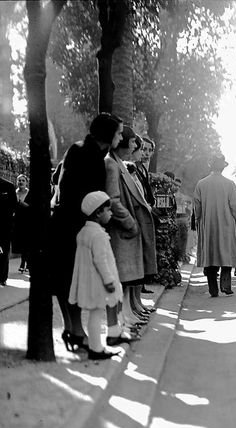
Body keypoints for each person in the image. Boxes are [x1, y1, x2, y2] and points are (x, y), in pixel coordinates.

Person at [50, 112, 123, 351]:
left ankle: (72, 329)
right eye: (118, 133)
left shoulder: (81, 149)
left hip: (70, 223)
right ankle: (75, 330)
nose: (120, 137)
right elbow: (82, 195)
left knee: (67, 279)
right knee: (71, 278)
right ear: (108, 134)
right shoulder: (88, 155)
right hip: (75, 225)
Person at [104, 125, 157, 345]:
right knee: (120, 281)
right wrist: (130, 223)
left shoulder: (119, 165)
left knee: (126, 280)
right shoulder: (112, 165)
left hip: (127, 232)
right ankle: (120, 323)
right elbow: (113, 200)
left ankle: (124, 320)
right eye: (133, 142)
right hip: (122, 232)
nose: (137, 146)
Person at [68, 191, 122, 360]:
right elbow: (101, 260)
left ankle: (95, 347)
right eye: (108, 210)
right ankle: (96, 349)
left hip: (88, 281)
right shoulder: (98, 235)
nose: (111, 213)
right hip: (98, 282)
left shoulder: (84, 232)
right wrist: (109, 280)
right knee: (96, 315)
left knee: (94, 314)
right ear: (98, 213)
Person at [194, 154, 236, 297]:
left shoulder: (201, 184)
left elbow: (197, 207)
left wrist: (199, 219)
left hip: (208, 224)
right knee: (226, 254)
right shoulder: (229, 184)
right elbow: (235, 206)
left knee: (210, 256)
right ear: (223, 166)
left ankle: (213, 288)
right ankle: (226, 285)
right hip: (226, 224)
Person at [0, 175, 17, 286]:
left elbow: (13, 206)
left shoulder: (8, 186)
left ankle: (2, 277)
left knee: (3, 251)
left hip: (4, 226)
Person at [12, 174, 31, 273]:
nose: (21, 182)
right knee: (21, 243)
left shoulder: (30, 193)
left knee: (27, 243)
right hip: (18, 221)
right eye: (19, 180)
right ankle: (25, 263)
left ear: (26, 182)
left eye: (23, 180)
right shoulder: (14, 193)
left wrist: (21, 202)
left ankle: (24, 263)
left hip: (28, 221)